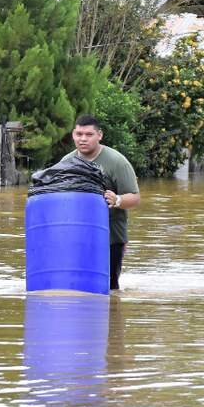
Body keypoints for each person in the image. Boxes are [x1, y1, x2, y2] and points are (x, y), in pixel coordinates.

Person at [63, 115, 140, 290]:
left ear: (100, 135)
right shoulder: (66, 163)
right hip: (77, 234)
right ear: (73, 135)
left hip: (111, 236)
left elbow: (135, 197)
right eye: (79, 134)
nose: (83, 139)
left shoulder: (117, 162)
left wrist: (117, 199)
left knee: (109, 288)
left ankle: (112, 316)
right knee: (76, 286)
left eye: (89, 134)